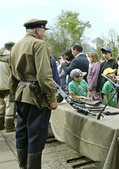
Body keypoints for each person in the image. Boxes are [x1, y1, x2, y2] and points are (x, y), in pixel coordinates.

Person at [9, 19, 58, 169]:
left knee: (22, 133)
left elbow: (12, 76)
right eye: (44, 31)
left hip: (21, 95)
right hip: (36, 97)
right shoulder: (39, 44)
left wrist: (14, 96)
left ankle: (23, 166)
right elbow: (44, 76)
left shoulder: (16, 46)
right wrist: (52, 98)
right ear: (38, 30)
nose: (44, 35)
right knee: (36, 136)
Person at [0, 41, 16, 132]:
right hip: (8, 86)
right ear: (11, 48)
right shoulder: (10, 58)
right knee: (10, 106)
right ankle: (9, 126)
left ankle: (0, 125)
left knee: (0, 106)